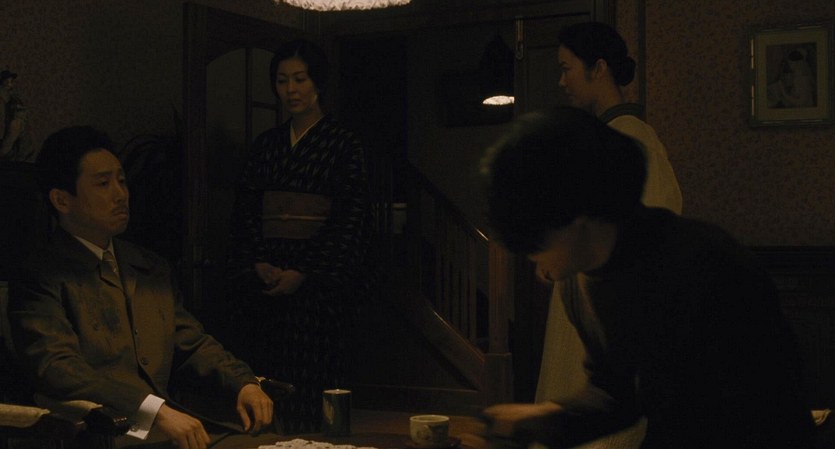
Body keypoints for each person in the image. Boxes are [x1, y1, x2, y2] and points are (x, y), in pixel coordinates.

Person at [475, 106, 814, 449]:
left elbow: (750, 416)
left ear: (578, 219)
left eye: (534, 244)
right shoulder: (579, 283)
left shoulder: (704, 266)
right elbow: (616, 394)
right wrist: (542, 419)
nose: (536, 268)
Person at [8, 126, 275, 449]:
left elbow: (190, 342)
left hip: (174, 430)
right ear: (62, 200)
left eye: (121, 181)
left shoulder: (148, 266)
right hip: (104, 434)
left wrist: (243, 383)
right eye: (103, 184)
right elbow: (57, 368)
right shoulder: (41, 274)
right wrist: (152, 409)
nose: (120, 194)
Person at [535, 23, 683, 448]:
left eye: (567, 68)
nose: (562, 81)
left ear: (598, 68)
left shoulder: (633, 140)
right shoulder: (604, 138)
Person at [226, 38, 370, 434]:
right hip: (268, 282)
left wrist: (305, 271)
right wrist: (258, 261)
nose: (291, 89)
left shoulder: (344, 144)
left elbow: (349, 217)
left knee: (319, 383)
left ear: (318, 83)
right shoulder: (266, 146)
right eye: (282, 80)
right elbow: (247, 211)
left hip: (318, 291)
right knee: (269, 376)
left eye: (300, 79)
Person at [0, 69, 35, 162]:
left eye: (11, 82)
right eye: (7, 82)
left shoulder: (15, 106)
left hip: (19, 159)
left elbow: (11, 136)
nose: (10, 85)